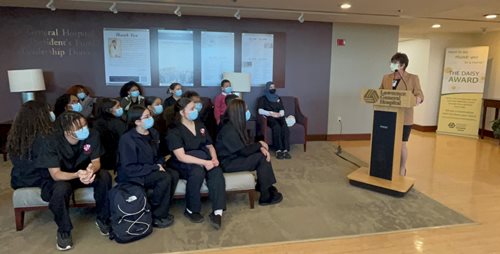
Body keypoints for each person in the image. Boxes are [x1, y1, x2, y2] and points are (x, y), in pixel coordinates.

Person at [35, 111, 111, 251]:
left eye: (85, 125)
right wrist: (77, 174)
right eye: (79, 127)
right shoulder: (50, 141)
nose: (85, 129)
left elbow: (96, 161)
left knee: (105, 177)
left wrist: (90, 170)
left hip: (83, 172)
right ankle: (64, 231)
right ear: (67, 131)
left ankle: (103, 218)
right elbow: (56, 174)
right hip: (61, 177)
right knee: (60, 189)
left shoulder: (92, 135)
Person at [166, 98, 226, 230]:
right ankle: (191, 210)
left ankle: (217, 212)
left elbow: (210, 145)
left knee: (216, 170)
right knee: (197, 172)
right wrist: (205, 162)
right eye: (192, 109)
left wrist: (214, 159)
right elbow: (181, 156)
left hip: (204, 157)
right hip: (182, 161)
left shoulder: (199, 124)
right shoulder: (174, 129)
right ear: (182, 112)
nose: (195, 111)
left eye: (195, 108)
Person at [117, 105, 179, 228]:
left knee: (174, 174)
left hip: (151, 168)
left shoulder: (153, 133)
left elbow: (159, 154)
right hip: (134, 174)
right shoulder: (127, 139)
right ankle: (156, 215)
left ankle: (162, 208)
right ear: (137, 122)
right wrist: (155, 168)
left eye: (150, 115)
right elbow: (129, 168)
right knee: (164, 177)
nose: (151, 118)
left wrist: (160, 163)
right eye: (146, 117)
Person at [216, 99, 283, 205]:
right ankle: (265, 197)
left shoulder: (235, 125)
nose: (248, 112)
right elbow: (244, 151)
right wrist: (260, 144)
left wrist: (259, 147)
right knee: (261, 158)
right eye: (246, 110)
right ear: (239, 113)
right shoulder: (228, 130)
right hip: (228, 163)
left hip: (235, 156)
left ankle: (264, 186)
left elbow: (244, 146)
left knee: (261, 154)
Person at [380, 52, 424, 176]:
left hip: (405, 117)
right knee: (387, 142)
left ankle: (402, 168)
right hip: (388, 116)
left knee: (401, 144)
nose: (391, 65)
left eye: (395, 63)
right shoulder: (386, 77)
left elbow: (419, 94)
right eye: (391, 62)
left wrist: (418, 99)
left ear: (403, 65)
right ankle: (387, 165)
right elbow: (380, 92)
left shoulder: (412, 78)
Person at [7, 101, 53, 189]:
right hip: (38, 180)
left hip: (18, 180)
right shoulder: (44, 138)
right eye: (48, 111)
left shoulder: (15, 136)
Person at [257, 81, 291, 160]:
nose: (273, 89)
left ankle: (285, 150)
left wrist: (279, 114)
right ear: (267, 88)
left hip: (279, 117)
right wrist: (271, 113)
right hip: (270, 117)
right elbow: (260, 111)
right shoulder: (263, 99)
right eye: (271, 87)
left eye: (274, 87)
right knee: (277, 127)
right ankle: (278, 150)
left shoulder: (278, 98)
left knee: (285, 127)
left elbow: (282, 110)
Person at [93, 98, 127, 170]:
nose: (121, 108)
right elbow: (125, 142)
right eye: (117, 107)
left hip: (100, 159)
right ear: (108, 110)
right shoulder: (118, 123)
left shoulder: (95, 122)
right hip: (116, 159)